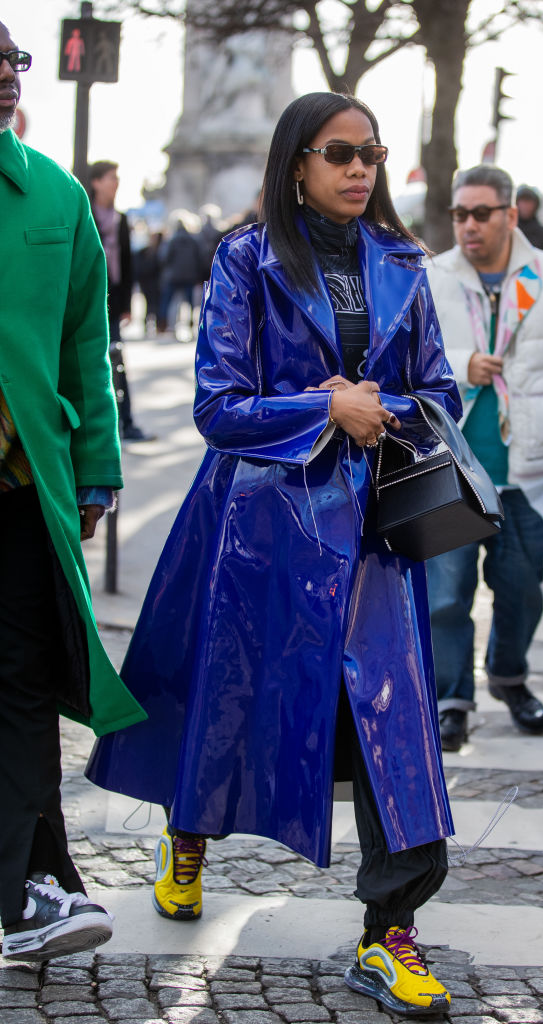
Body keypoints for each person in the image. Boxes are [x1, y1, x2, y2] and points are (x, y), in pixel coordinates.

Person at [86, 92, 460, 1018]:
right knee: (225, 698)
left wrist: (380, 407)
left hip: (372, 537)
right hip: (259, 531)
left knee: (393, 728)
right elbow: (219, 405)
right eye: (340, 152)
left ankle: (389, 934)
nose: (359, 167)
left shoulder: (403, 265)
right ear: (297, 161)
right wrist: (321, 407)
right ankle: (188, 833)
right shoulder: (244, 259)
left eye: (370, 151)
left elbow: (438, 394)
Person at [0, 24, 145, 961]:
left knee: (19, 684)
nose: (3, 78)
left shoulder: (53, 192)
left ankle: (26, 892)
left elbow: (84, 345)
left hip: (21, 491)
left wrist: (97, 467)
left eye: (7, 61)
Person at [426, 165, 543, 752]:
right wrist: (462, 364)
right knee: (446, 597)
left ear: (511, 214)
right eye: (460, 214)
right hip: (451, 472)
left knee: (523, 592)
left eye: (481, 213)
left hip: (528, 475)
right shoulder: (433, 278)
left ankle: (509, 676)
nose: (468, 225)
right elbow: (401, 356)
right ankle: (452, 697)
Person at [88, 161, 155, 441]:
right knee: (92, 362)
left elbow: (127, 266)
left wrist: (127, 305)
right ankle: (95, 427)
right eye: (110, 178)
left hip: (114, 300)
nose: (116, 183)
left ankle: (126, 422)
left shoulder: (121, 218)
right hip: (89, 300)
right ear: (96, 183)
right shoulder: (86, 213)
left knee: (117, 362)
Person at [156, 212, 204, 336]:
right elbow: (199, 258)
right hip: (190, 276)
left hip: (173, 276)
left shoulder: (172, 239)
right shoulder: (193, 240)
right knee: (190, 303)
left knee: (170, 302)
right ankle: (192, 325)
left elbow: (165, 257)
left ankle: (167, 325)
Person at [515, 185, 543, 253]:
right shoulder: (510, 229)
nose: (525, 206)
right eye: (523, 202)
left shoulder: (541, 232)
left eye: (529, 202)